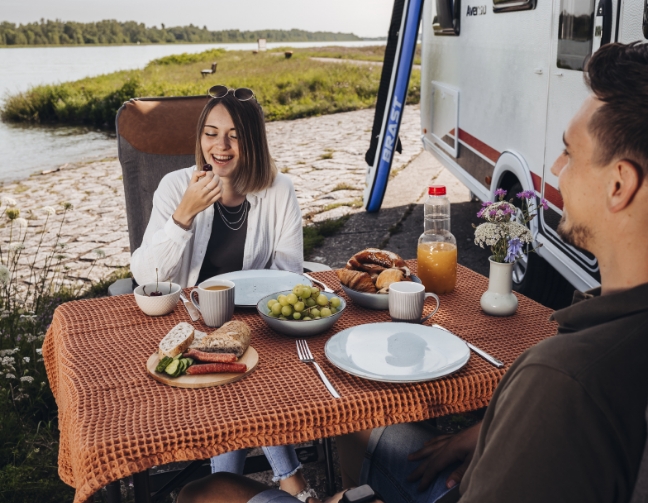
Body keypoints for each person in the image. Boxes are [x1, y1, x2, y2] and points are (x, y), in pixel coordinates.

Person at [176, 41, 648, 503]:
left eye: (569, 152)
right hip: (498, 462)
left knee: (207, 492)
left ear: (619, 183)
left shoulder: (561, 375)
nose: (557, 168)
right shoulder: (600, 346)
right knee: (356, 413)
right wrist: (488, 436)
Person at [131, 86, 315, 501]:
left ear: (252, 139)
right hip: (190, 325)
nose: (221, 146)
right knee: (237, 373)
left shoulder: (278, 190)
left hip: (257, 323)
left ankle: (224, 483)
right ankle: (292, 481)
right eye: (211, 133)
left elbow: (288, 275)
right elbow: (146, 275)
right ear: (200, 138)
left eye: (233, 134)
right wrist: (183, 216)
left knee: (247, 370)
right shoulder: (176, 185)